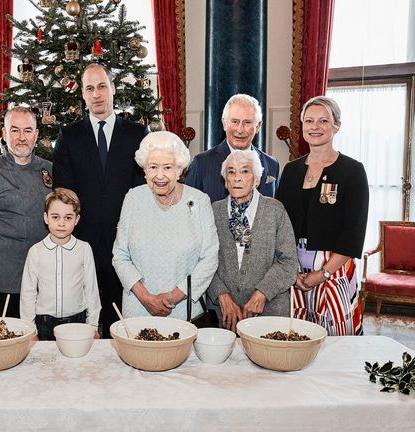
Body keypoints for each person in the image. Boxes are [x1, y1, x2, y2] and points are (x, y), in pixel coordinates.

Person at [53, 63, 148, 337]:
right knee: (88, 326)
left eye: (102, 86)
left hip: (127, 247)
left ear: (113, 88)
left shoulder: (136, 134)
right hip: (84, 245)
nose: (97, 94)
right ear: (82, 95)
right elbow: (65, 192)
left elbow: (143, 191)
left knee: (123, 326)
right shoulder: (69, 137)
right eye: (90, 88)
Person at [276, 96, 369, 336]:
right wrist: (289, 270)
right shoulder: (291, 170)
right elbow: (279, 223)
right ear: (302, 127)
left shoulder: (352, 171)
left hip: (334, 269)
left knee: (335, 341)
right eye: (309, 121)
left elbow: (353, 232)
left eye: (323, 121)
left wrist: (324, 272)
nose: (315, 127)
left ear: (336, 125)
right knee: (295, 338)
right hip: (294, 269)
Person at [112, 131, 219, 319]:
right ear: (144, 170)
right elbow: (120, 255)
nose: (159, 175)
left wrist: (173, 297)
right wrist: (146, 299)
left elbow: (209, 258)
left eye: (168, 167)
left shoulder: (200, 201)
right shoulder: (133, 198)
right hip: (139, 308)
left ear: (180, 170)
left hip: (185, 310)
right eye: (153, 167)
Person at [0, 106, 53, 318]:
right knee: (5, 339)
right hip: (2, 278)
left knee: (42, 343)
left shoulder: (51, 170)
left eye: (27, 131)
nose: (21, 137)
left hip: (44, 276)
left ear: (36, 135)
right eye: (15, 130)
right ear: (5, 134)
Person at [208, 150, 299, 331]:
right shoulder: (213, 211)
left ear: (257, 180)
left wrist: (262, 293)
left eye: (245, 171)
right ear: (225, 181)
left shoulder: (275, 210)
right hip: (225, 315)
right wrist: (222, 295)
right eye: (231, 172)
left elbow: (289, 262)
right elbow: (204, 261)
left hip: (270, 311)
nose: (237, 178)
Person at [19, 188, 101, 340]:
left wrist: (93, 326)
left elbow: (91, 290)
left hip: (77, 322)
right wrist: (30, 331)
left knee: (77, 364)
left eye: (68, 218)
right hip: (44, 323)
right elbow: (28, 294)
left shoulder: (84, 249)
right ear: (46, 218)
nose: (62, 223)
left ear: (76, 219)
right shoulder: (36, 251)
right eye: (55, 217)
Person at [185, 93, 279, 203]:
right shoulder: (201, 163)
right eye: (235, 122)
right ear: (224, 123)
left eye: (247, 122)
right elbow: (188, 210)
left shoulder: (272, 164)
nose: (240, 130)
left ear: (258, 126)